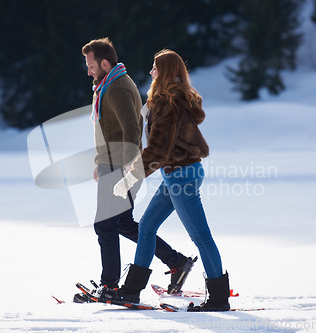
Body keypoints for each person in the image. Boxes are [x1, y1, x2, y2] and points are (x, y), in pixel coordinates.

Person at [111, 49, 230, 311]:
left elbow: (158, 150)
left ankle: (219, 299)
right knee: (146, 227)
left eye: (155, 68)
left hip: (180, 175)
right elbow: (161, 149)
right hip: (178, 173)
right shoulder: (175, 99)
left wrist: (130, 178)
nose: (151, 72)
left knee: (202, 237)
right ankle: (131, 291)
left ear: (163, 72)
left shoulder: (167, 103)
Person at [77, 38, 195, 300]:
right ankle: (177, 262)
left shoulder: (117, 88)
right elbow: (111, 130)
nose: (88, 71)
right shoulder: (109, 83)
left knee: (105, 226)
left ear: (104, 63)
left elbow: (131, 131)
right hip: (113, 164)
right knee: (123, 224)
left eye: (91, 65)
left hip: (120, 167)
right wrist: (101, 163)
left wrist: (126, 173)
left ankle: (109, 285)